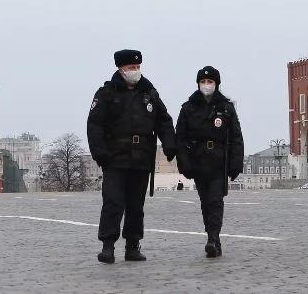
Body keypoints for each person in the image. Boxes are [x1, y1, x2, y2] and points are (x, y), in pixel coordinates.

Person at [87, 49, 176, 264]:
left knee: (136, 205)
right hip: (114, 159)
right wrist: (100, 154)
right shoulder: (107, 93)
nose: (134, 71)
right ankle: (108, 246)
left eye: (137, 67)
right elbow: (94, 124)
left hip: (141, 158)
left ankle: (133, 245)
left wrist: (170, 144)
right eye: (130, 68)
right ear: (120, 68)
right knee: (113, 202)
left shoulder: (150, 93)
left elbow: (164, 120)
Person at [174, 65, 244, 258]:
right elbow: (180, 138)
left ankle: (212, 238)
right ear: (198, 84)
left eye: (210, 81)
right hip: (198, 160)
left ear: (217, 84)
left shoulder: (226, 108)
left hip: (219, 161)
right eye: (203, 82)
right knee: (206, 202)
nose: (207, 85)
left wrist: (236, 164)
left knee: (215, 200)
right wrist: (184, 163)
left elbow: (236, 137)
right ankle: (214, 237)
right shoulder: (188, 108)